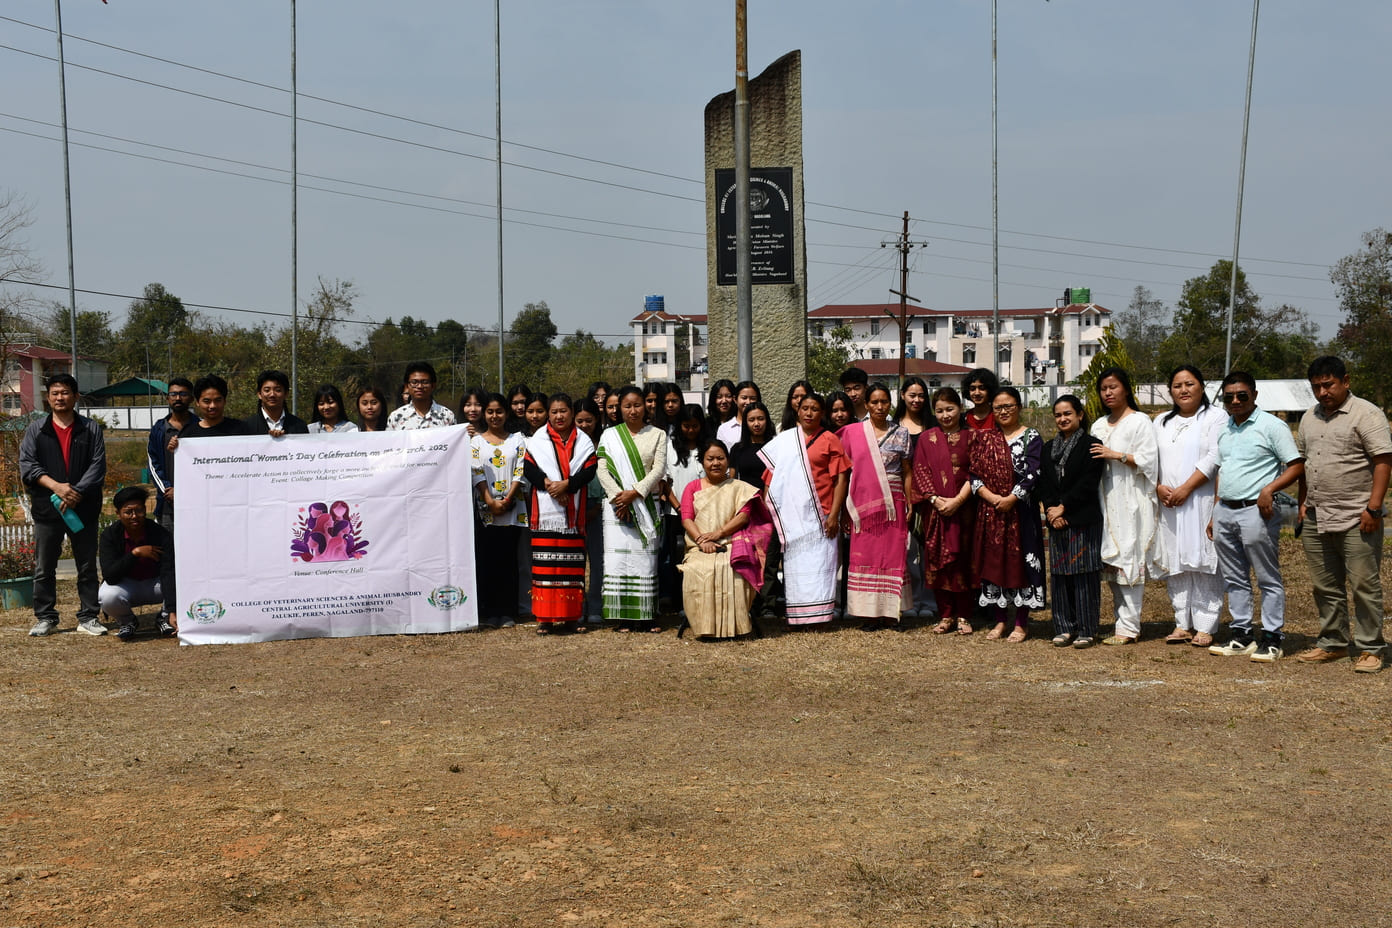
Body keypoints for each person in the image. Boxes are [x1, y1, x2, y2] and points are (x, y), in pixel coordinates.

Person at [1294, 356, 1391, 673]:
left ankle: (1370, 648)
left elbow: (1383, 461)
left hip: (1357, 516)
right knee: (1325, 586)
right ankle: (1333, 643)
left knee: (1364, 584)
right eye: (1317, 387)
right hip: (1317, 515)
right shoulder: (1309, 417)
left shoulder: (1366, 414)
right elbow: (1305, 466)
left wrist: (1373, 507)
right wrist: (1302, 504)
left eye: (1329, 384)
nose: (1323, 392)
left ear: (1345, 381)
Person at [1207, 372, 1305, 662]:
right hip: (1225, 509)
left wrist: (1270, 489)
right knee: (1234, 576)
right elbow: (1220, 470)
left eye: (1242, 395)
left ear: (1254, 395)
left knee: (1266, 576)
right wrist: (1215, 510)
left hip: (1257, 511)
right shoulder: (1224, 428)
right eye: (1228, 397)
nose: (1235, 401)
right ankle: (1242, 634)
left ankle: (1273, 637)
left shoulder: (1272, 426)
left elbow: (1296, 465)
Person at [21, 374, 107, 638]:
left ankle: (89, 616)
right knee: (44, 566)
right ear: (48, 398)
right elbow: (28, 466)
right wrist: (57, 487)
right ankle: (46, 617)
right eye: (55, 393)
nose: (60, 397)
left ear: (76, 396)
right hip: (48, 509)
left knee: (86, 566)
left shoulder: (90, 428)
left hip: (83, 508)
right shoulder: (36, 429)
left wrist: (76, 491)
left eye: (65, 392)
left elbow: (97, 465)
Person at [759, 392, 851, 626]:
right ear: (797, 411)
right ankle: (799, 615)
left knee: (822, 564)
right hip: (793, 515)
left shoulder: (830, 439)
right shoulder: (786, 439)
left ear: (823, 413)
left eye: (815, 409)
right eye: (805, 408)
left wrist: (835, 515)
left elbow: (841, 479)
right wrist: (771, 508)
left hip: (823, 512)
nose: (809, 413)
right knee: (796, 564)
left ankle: (820, 616)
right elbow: (771, 477)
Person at [1151, 365, 1226, 647]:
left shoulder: (1215, 416)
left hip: (1201, 498)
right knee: (1177, 561)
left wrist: (1186, 488)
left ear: (1202, 387)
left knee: (1204, 560)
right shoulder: (1160, 422)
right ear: (1170, 390)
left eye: (1189, 384)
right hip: (1169, 503)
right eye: (1177, 385)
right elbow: (1152, 459)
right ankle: (1182, 623)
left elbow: (1215, 456)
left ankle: (1206, 625)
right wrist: (1159, 486)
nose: (1183, 390)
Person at [1090, 367, 1160, 645]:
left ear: (1126, 389)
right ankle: (1121, 621)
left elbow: (1149, 461)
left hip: (1131, 498)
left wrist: (1116, 455)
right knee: (1111, 561)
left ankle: (1130, 626)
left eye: (1113, 387)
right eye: (1103, 388)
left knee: (1129, 558)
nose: (1108, 393)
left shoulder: (1140, 422)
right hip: (1105, 499)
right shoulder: (1097, 425)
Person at [970, 386, 1044, 642]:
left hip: (1021, 512)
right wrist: (991, 498)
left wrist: (1012, 498)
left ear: (1019, 407)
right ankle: (1000, 620)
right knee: (994, 564)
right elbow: (974, 474)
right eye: (998, 407)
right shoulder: (984, 438)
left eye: (1008, 406)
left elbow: (1034, 473)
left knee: (1022, 565)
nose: (1003, 411)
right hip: (991, 513)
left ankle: (1021, 623)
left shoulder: (1030, 436)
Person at [521, 393, 597, 634]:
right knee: (545, 567)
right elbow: (529, 469)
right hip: (546, 516)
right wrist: (551, 486)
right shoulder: (537, 439)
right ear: (548, 415)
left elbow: (589, 469)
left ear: (571, 412)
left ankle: (572, 617)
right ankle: (545, 617)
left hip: (572, 517)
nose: (558, 416)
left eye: (563, 411)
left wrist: (568, 486)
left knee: (572, 568)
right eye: (554, 412)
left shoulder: (583, 440)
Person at [839, 383, 912, 629]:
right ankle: (868, 613)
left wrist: (910, 500)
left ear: (890, 404)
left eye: (884, 402)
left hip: (894, 502)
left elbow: (907, 472)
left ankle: (891, 612)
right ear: (867, 405)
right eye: (875, 402)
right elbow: (844, 471)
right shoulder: (852, 432)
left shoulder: (901, 433)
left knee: (893, 554)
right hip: (863, 505)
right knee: (866, 555)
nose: (880, 407)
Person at [597, 385, 668, 631]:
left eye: (637, 404)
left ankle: (646, 616)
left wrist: (635, 493)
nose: (633, 410)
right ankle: (622, 616)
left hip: (645, 504)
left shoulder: (658, 434)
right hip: (616, 508)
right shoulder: (609, 435)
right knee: (618, 560)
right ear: (619, 409)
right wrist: (619, 498)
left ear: (646, 406)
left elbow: (659, 469)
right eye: (627, 406)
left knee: (645, 561)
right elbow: (602, 469)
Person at [1037, 395, 1105, 648]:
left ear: (1080, 415)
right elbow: (1044, 483)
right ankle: (1064, 626)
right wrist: (1051, 512)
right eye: (1058, 415)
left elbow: (1089, 482)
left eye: (1068, 413)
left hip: (1082, 517)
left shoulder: (1092, 445)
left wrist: (1064, 507)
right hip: (1056, 520)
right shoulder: (1047, 448)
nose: (1063, 419)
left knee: (1084, 574)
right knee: (1060, 574)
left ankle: (1087, 628)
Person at [680, 440, 762, 639]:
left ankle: (737, 626)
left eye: (720, 458)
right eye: (710, 459)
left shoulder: (740, 488)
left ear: (728, 461)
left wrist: (718, 534)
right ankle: (705, 627)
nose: (715, 463)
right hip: (699, 547)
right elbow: (686, 517)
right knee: (699, 569)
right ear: (702, 462)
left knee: (733, 566)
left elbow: (744, 515)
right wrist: (702, 540)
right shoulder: (692, 487)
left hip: (732, 544)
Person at [912, 387, 976, 635]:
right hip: (935, 512)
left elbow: (976, 472)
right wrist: (936, 500)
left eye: (950, 409)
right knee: (938, 562)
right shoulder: (927, 438)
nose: (945, 415)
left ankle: (964, 616)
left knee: (963, 561)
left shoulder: (972, 437)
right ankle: (946, 615)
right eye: (939, 410)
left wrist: (957, 501)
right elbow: (921, 471)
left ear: (960, 408)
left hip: (965, 510)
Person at [472, 393, 527, 628]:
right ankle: (490, 610)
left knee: (509, 560)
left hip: (513, 508)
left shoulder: (518, 439)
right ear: (484, 414)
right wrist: (490, 500)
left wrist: (508, 498)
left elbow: (520, 469)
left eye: (499, 411)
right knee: (488, 560)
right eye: (490, 411)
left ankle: (508, 611)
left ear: (507, 413)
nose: (495, 416)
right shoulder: (476, 442)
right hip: (486, 510)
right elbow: (476, 472)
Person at [98, 486, 176, 641]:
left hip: (156, 584)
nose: (134, 516)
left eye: (139, 511)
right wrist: (135, 553)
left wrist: (173, 610)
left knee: (181, 581)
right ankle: (128, 621)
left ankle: (165, 617)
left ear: (145, 510)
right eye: (128, 512)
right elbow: (110, 576)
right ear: (118, 514)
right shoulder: (109, 536)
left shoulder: (159, 533)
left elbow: (169, 571)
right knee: (107, 596)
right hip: (127, 585)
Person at [146, 376, 197, 532]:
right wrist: (168, 490)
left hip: (197, 502)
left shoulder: (201, 426)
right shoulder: (159, 429)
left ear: (192, 398)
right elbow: (153, 464)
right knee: (170, 552)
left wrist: (185, 490)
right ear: (168, 398)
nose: (178, 398)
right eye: (173, 394)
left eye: (183, 394)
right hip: (169, 503)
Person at [574, 398, 607, 623]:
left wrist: (598, 505)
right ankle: (576, 607)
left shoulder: (606, 443)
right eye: (580, 421)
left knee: (598, 562)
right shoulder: (568, 444)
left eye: (589, 420)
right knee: (575, 563)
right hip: (573, 510)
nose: (585, 425)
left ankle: (595, 605)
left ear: (597, 420)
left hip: (601, 510)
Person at [388, 362, 456, 430]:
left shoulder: (447, 416)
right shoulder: (396, 417)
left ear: (433, 385)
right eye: (414, 382)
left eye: (425, 382)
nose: (420, 386)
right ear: (407, 386)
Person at [244, 370, 309, 436]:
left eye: (278, 390)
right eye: (267, 390)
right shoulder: (247, 426)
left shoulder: (299, 426)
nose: (272, 394)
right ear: (259, 394)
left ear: (286, 394)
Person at [181, 374, 248, 439]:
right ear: (197, 402)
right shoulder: (188, 434)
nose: (212, 406)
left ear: (224, 401)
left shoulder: (241, 429)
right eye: (207, 401)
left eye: (217, 400)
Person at [730, 400, 773, 487]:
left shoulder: (775, 447)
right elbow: (732, 480)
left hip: (768, 497)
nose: (756, 424)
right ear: (746, 423)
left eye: (761, 419)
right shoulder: (737, 449)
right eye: (751, 420)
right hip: (745, 498)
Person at [717, 381, 760, 448]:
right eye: (744, 398)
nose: (748, 402)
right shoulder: (724, 429)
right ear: (735, 399)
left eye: (753, 398)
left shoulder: (763, 426)